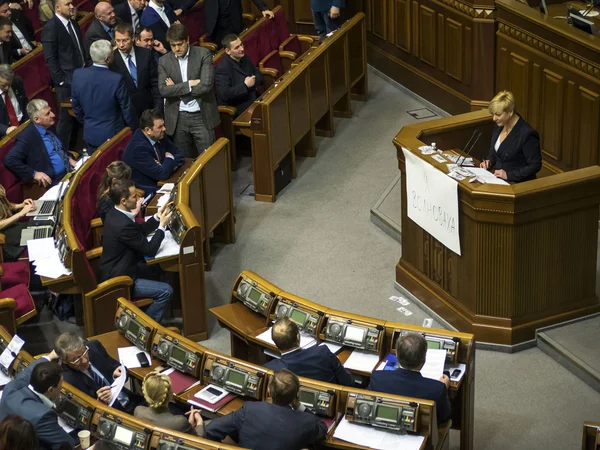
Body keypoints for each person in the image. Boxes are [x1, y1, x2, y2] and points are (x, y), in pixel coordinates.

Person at [100, 179, 173, 322]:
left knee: (159, 269)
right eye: (134, 196)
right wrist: (162, 227)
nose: (139, 198)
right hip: (121, 279)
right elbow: (150, 250)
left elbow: (139, 231)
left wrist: (158, 217)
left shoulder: (116, 214)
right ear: (123, 201)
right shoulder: (122, 224)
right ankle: (147, 324)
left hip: (124, 266)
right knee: (166, 291)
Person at [205, 369, 327, 449]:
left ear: (269, 392)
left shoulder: (250, 409)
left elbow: (211, 429)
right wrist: (298, 405)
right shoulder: (306, 421)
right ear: (298, 394)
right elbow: (322, 428)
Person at [158, 23, 220, 158]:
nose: (176, 48)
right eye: (173, 45)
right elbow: (163, 91)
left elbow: (206, 86)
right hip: (178, 117)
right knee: (184, 161)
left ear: (187, 40)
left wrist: (176, 88)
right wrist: (189, 84)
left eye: (180, 44)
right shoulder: (164, 61)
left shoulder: (203, 54)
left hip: (201, 114)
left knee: (209, 158)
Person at [367, 332, 452, 424]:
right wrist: (444, 388)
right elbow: (444, 417)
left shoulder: (377, 377)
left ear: (397, 355)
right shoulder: (437, 388)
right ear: (424, 359)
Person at [0, 350, 76, 450]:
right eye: (61, 384)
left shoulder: (11, 387)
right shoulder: (43, 415)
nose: (61, 387)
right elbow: (67, 444)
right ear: (51, 389)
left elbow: (28, 371)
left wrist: (50, 356)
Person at [71, 39, 138, 151]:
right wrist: (135, 130)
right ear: (108, 59)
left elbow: (76, 107)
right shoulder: (116, 79)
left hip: (90, 133)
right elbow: (126, 109)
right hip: (114, 136)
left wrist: (88, 121)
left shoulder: (78, 75)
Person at [54, 332, 143, 415]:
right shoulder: (67, 381)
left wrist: (117, 373)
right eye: (76, 359)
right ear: (65, 361)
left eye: (84, 352)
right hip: (111, 414)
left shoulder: (94, 347)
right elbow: (84, 414)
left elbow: (115, 366)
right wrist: (99, 402)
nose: (84, 361)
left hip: (130, 399)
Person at [41, 0, 90, 149]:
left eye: (71, 3)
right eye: (67, 4)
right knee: (67, 120)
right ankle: (62, 152)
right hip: (67, 82)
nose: (71, 6)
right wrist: (61, 81)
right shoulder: (51, 27)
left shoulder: (73, 23)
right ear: (57, 7)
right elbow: (50, 59)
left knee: (81, 116)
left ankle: (79, 147)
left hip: (81, 77)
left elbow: (79, 50)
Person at [4, 99, 77, 188]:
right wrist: (34, 173)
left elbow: (58, 149)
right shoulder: (27, 137)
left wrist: (68, 158)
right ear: (37, 119)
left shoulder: (49, 126)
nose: (53, 115)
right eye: (48, 114)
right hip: (54, 181)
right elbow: (10, 159)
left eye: (50, 111)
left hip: (69, 171)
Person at [264, 317, 354, 386]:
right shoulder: (322, 353)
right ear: (298, 338)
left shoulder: (271, 369)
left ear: (274, 341)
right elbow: (348, 382)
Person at [480, 90, 542, 183]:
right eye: (493, 114)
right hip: (497, 180)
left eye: (498, 114)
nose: (494, 118)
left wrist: (509, 175)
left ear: (510, 112)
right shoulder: (499, 126)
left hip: (517, 185)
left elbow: (535, 165)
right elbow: (494, 151)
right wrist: (489, 162)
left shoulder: (527, 134)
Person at [122, 109, 184, 194]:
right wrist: (169, 158)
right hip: (151, 191)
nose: (164, 129)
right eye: (160, 127)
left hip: (165, 181)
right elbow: (162, 174)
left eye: (163, 125)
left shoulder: (158, 135)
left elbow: (179, 154)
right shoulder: (138, 149)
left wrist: (166, 166)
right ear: (148, 130)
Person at [110, 22, 162, 118]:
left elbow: (155, 83)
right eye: (118, 41)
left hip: (149, 109)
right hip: (127, 114)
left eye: (125, 40)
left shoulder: (146, 54)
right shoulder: (112, 60)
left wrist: (158, 109)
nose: (121, 45)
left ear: (133, 38)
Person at [134, 371, 204, 435]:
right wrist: (199, 422)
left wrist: (189, 426)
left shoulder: (138, 411)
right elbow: (199, 441)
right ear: (170, 395)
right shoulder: (180, 422)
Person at [215, 33, 263, 117]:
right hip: (239, 108)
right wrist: (245, 85)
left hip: (253, 98)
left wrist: (252, 83)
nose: (242, 49)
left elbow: (258, 74)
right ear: (227, 51)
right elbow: (225, 94)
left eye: (241, 45)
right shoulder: (222, 68)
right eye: (237, 47)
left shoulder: (245, 58)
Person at [204, 0, 273, 49]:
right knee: (222, 54)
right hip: (215, 24)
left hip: (233, 21)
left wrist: (263, 8)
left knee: (235, 50)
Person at [0, 184, 35, 260]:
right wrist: (21, 214)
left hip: (11, 226)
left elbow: (6, 206)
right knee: (36, 228)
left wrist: (21, 205)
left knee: (39, 222)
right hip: (3, 237)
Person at [0, 64, 28, 136]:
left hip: (23, 124)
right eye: (3, 85)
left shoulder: (17, 81)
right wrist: (5, 129)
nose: (6, 88)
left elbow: (25, 102)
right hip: (6, 133)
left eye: (9, 84)